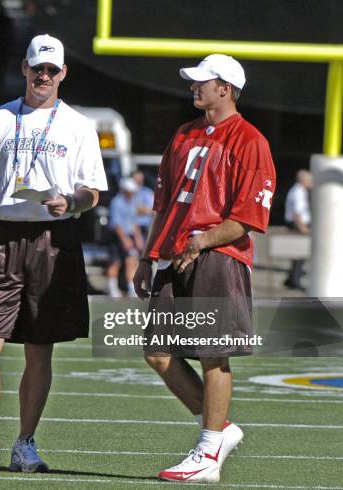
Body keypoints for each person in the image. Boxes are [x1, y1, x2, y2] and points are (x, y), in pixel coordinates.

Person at [0, 34, 107, 473]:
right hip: (4, 236)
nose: (43, 76)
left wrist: (74, 202)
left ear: (63, 73)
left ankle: (24, 443)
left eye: (52, 70)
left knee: (39, 348)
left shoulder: (80, 126)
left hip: (55, 240)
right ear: (25, 70)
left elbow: (92, 191)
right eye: (37, 69)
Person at [133, 54, 276, 483]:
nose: (194, 87)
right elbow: (164, 204)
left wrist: (204, 240)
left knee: (214, 353)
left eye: (203, 82)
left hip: (218, 256)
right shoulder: (182, 134)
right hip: (177, 254)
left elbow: (249, 216)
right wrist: (147, 256)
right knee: (157, 352)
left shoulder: (251, 140)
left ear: (226, 89)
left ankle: (208, 448)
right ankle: (221, 430)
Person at [106, 177, 143, 297]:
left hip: (129, 235)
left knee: (131, 261)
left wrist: (137, 237)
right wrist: (124, 239)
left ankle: (132, 288)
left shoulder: (132, 201)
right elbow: (116, 224)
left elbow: (134, 221)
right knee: (115, 262)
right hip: (117, 236)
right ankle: (112, 288)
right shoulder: (116, 202)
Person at [284, 169, 312, 290]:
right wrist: (303, 228)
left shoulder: (299, 191)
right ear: (303, 180)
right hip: (298, 225)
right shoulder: (298, 192)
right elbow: (297, 213)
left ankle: (291, 278)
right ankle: (295, 280)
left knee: (298, 254)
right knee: (299, 254)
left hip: (297, 224)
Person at [131, 169, 154, 238]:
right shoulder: (127, 193)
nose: (139, 182)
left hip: (146, 226)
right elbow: (129, 210)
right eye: (136, 180)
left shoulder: (147, 192)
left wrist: (139, 210)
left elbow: (153, 210)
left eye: (140, 180)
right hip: (130, 226)